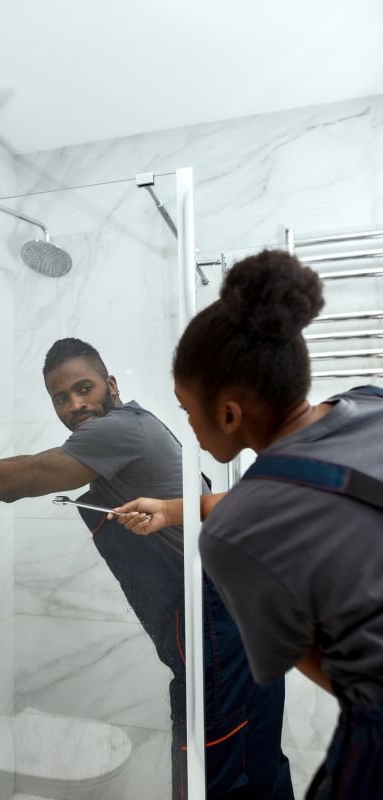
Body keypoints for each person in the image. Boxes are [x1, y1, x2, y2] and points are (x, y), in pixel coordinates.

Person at [0, 337, 293, 800]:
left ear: (111, 384)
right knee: (256, 762)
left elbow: (20, 479)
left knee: (217, 771)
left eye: (85, 388)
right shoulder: (137, 424)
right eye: (61, 397)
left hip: (217, 618)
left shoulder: (116, 430)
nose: (75, 404)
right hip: (241, 611)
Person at [113, 250, 383, 799]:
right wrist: (170, 509)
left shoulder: (237, 539)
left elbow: (332, 670)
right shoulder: (367, 402)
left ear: (229, 415)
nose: (188, 426)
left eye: (188, 411)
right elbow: (294, 492)